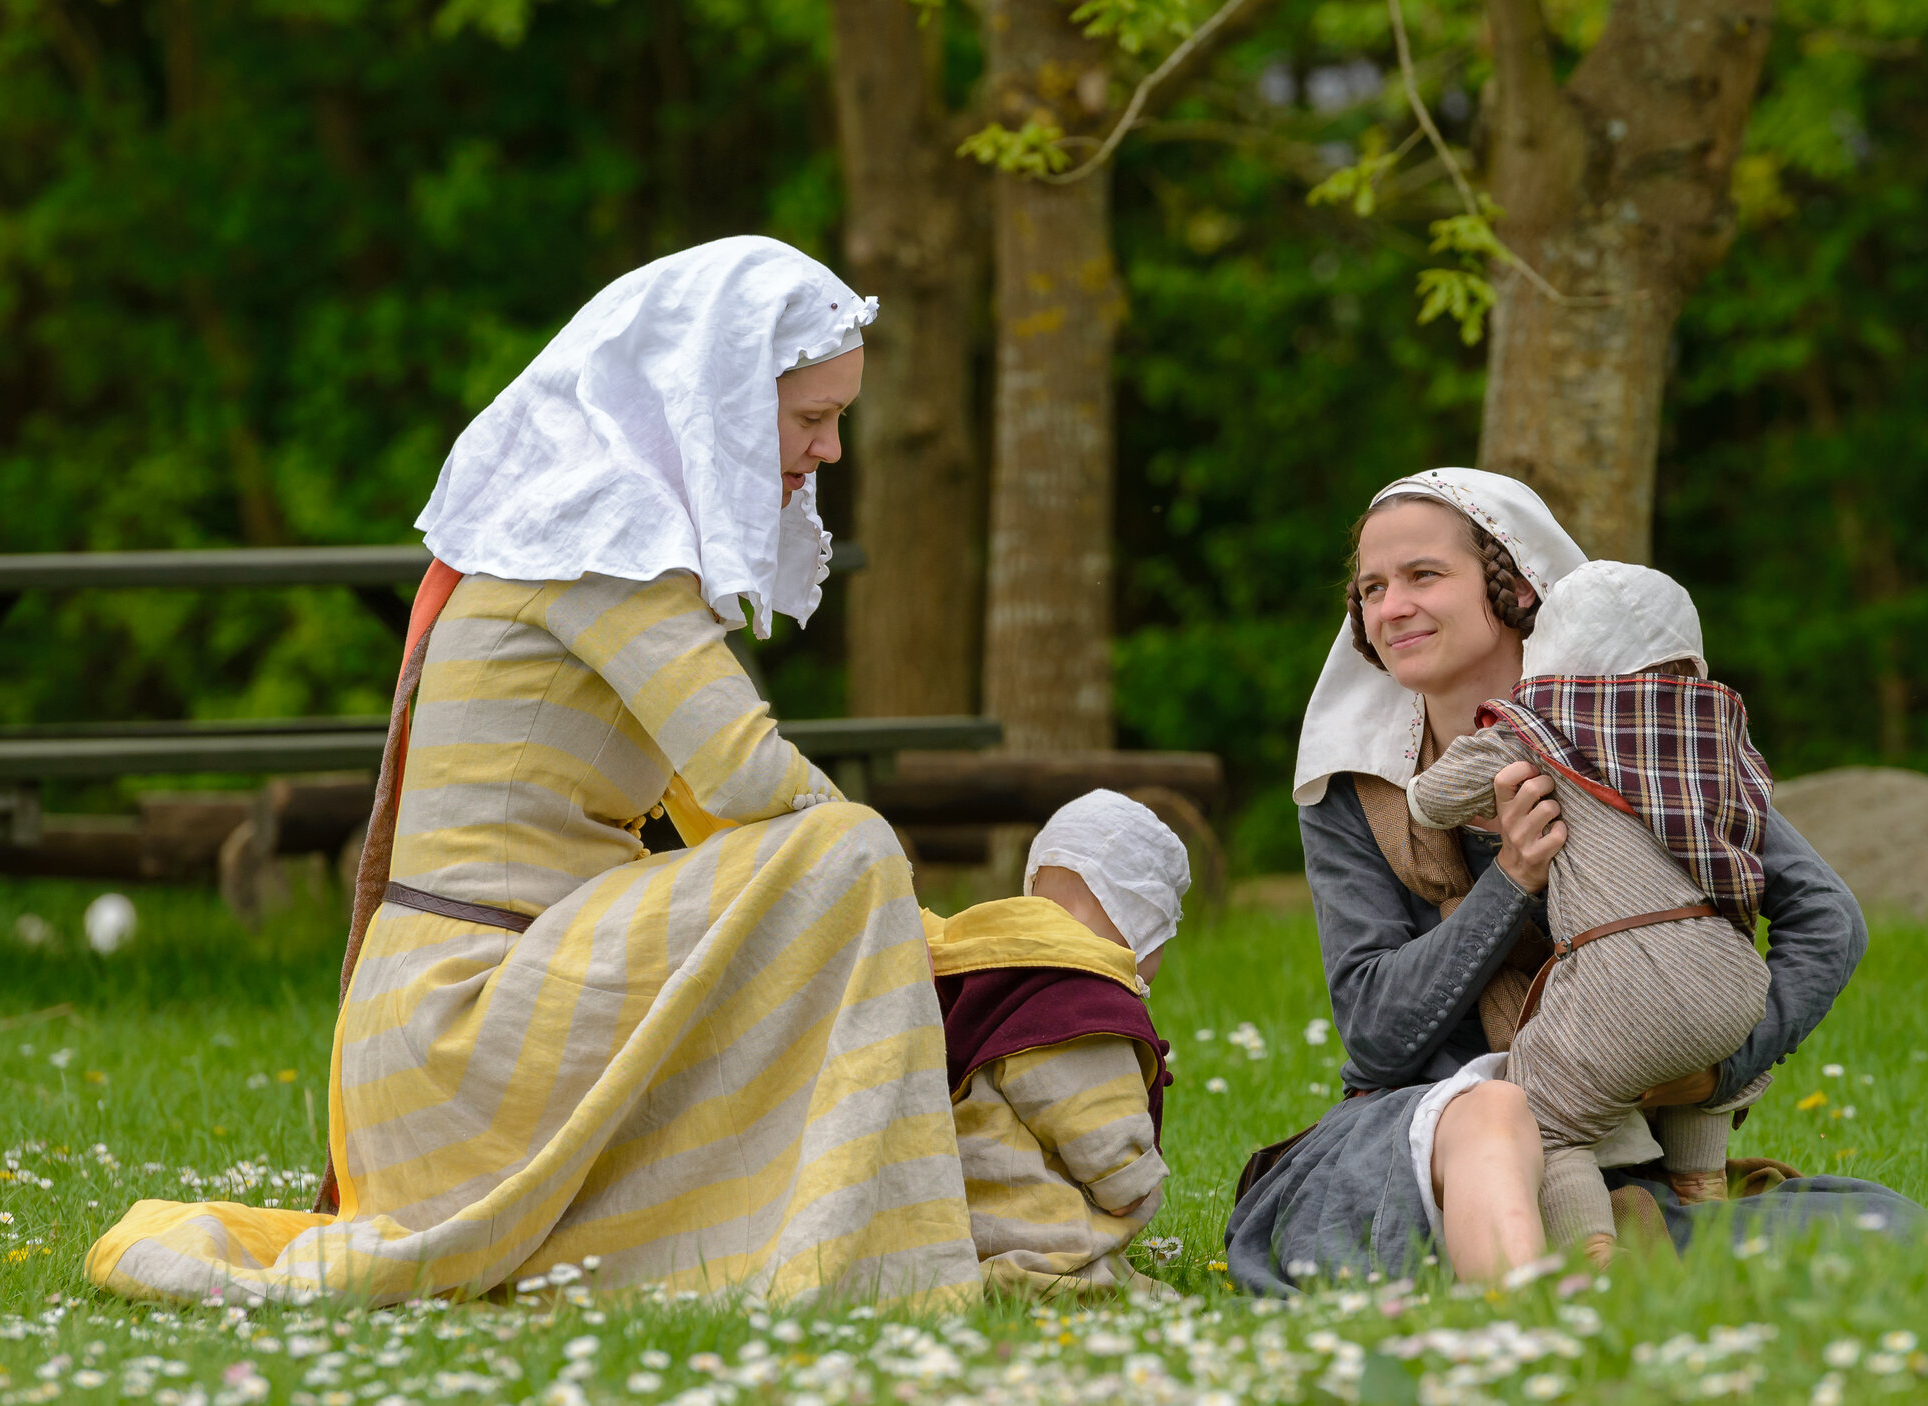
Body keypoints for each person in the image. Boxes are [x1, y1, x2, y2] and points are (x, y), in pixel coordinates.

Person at [87, 238, 982, 1309]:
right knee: (845, 853)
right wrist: (888, 888)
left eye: (837, 419)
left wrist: (905, 925)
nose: (831, 449)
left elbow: (722, 813)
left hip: (483, 1010)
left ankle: (789, 1225)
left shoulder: (594, 527)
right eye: (810, 419)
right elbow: (747, 778)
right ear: (723, 405)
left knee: (836, 868)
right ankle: (833, 1248)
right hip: (459, 1022)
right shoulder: (597, 535)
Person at [1223, 468, 1920, 1295]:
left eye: (1423, 576)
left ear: (1511, 585)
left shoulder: (1633, 734)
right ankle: (1555, 1278)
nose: (1390, 607)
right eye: (1372, 588)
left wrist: (1718, 1073)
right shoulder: (1356, 789)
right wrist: (1511, 877)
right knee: (1465, 1148)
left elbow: (1827, 919)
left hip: (1611, 1135)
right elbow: (1376, 1031)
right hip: (1430, 1133)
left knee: (1885, 1226)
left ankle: (1586, 1251)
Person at [1407, 560, 1775, 1268]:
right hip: (1734, 971)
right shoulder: (1715, 728)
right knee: (1702, 1063)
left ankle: (1593, 1265)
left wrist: (1498, 771)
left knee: (1540, 1121)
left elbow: (1430, 800)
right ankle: (1703, 1197)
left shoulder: (1542, 725)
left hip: (1628, 975)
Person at [927, 790, 1189, 1294]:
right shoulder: (1081, 1001)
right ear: (1143, 919)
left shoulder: (992, 970)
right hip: (1040, 1247)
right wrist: (1131, 1183)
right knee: (1144, 1299)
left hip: (956, 1234)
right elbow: (1103, 1136)